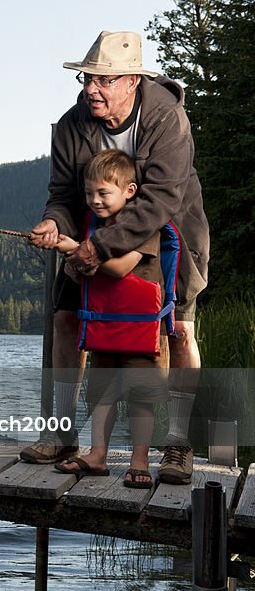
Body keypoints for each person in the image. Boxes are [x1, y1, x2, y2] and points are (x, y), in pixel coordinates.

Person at [20, 30, 209, 485]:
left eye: (103, 80)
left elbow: (162, 198)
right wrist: (55, 225)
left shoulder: (167, 116)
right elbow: (63, 196)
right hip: (92, 234)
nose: (91, 88)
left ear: (132, 81)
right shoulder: (71, 126)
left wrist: (97, 248)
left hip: (172, 232)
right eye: (88, 78)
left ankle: (178, 445)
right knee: (67, 319)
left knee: (178, 331)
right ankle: (63, 432)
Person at [50, 149, 169, 488]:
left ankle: (140, 460)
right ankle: (97, 455)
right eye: (89, 194)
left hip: (137, 332)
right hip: (103, 329)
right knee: (101, 394)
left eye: (103, 193)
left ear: (129, 191)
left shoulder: (141, 227)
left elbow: (119, 269)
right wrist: (74, 260)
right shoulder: (93, 227)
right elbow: (79, 277)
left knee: (139, 398)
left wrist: (77, 249)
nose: (95, 200)